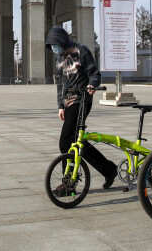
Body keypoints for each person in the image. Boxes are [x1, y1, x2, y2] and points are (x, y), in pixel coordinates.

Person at [45, 26, 118, 191]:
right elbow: (60, 83)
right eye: (51, 46)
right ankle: (108, 169)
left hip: (82, 100)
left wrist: (92, 85)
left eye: (55, 44)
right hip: (68, 102)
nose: (54, 48)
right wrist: (60, 106)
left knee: (65, 143)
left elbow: (95, 74)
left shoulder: (82, 51)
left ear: (63, 41)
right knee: (78, 142)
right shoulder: (59, 58)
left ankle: (68, 183)